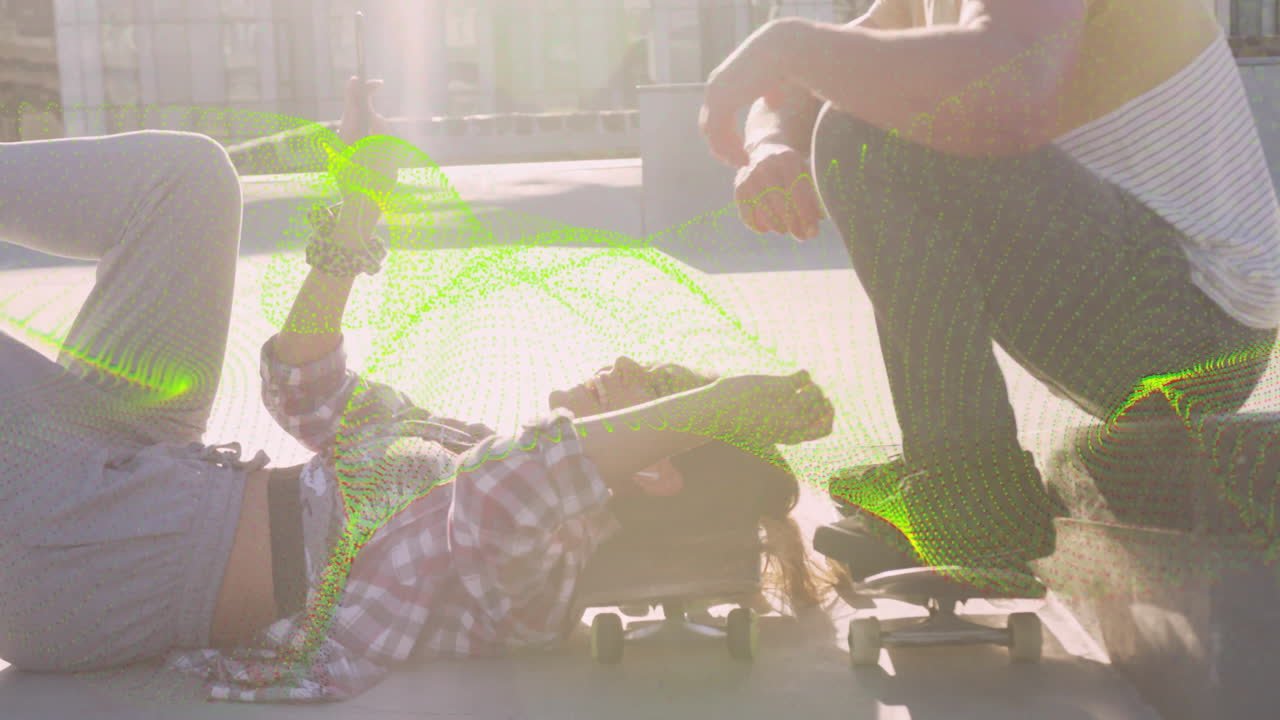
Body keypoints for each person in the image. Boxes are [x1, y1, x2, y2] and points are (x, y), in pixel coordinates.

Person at [0, 77, 834, 701]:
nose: (618, 368)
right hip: (144, 472)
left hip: (84, 555)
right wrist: (361, 198)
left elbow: (516, 482)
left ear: (654, 466)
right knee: (190, 179)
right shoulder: (457, 444)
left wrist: (725, 404)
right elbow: (302, 383)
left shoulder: (537, 577)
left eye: (645, 391)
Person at [698, 0, 1280, 580]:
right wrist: (772, 144)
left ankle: (970, 497)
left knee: (866, 133)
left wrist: (787, 46)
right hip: (1154, 309)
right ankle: (953, 478)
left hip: (1197, 318)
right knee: (864, 111)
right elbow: (806, 80)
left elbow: (1007, 92)